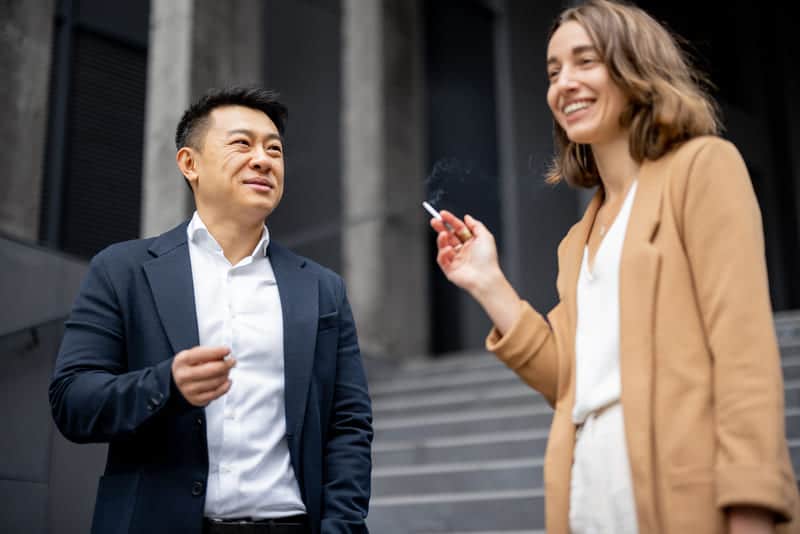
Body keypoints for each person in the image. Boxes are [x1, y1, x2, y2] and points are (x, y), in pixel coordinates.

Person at [429, 1, 799, 533]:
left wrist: (752, 504)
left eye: (586, 61)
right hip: (589, 491)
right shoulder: (577, 241)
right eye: (554, 71)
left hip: (686, 490)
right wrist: (488, 282)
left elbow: (744, 354)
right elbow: (570, 381)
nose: (564, 84)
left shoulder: (702, 169)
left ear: (635, 69)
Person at [49, 87, 373, 534]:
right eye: (242, 143)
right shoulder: (122, 269)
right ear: (190, 163)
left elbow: (348, 424)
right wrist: (166, 385)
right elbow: (72, 401)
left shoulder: (321, 288)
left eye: (274, 149)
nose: (263, 160)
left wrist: (343, 526)